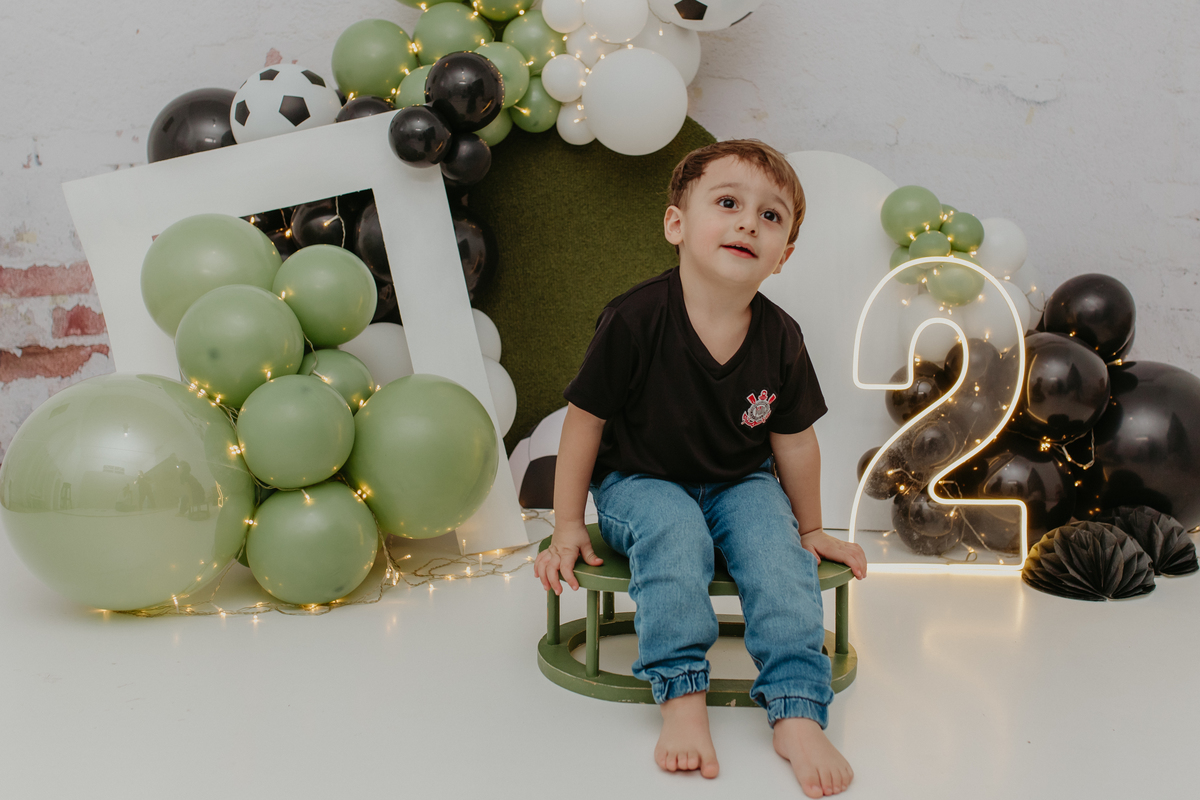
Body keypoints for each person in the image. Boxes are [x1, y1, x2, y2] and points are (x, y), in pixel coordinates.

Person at [534, 139, 868, 798]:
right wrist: (567, 523)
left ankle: (797, 709)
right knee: (675, 532)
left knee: (777, 555)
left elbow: (794, 441)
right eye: (728, 203)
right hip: (641, 480)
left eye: (770, 216)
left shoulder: (781, 336)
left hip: (741, 482)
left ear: (783, 255)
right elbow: (585, 421)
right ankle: (681, 694)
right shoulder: (635, 318)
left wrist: (810, 529)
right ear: (676, 224)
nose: (749, 223)